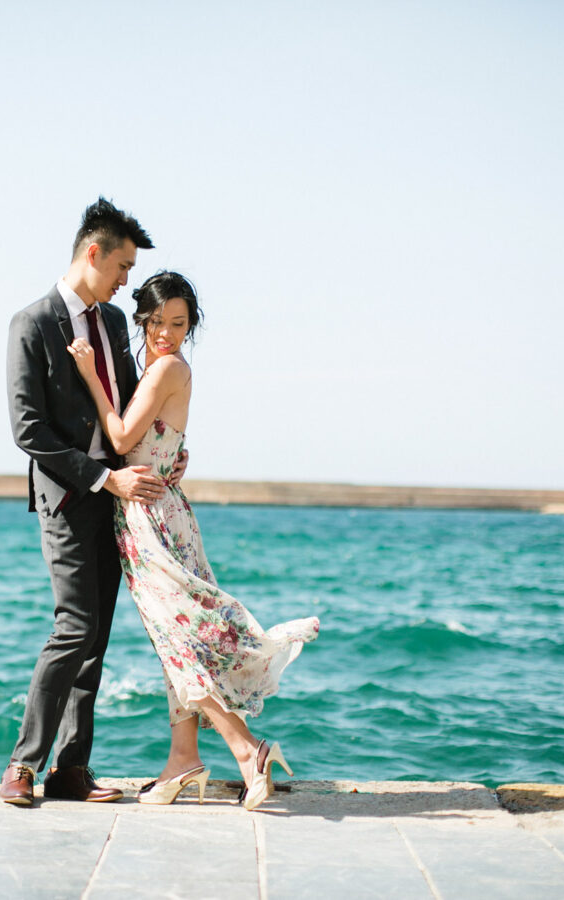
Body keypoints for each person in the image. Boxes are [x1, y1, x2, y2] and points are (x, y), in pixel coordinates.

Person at [67, 271, 321, 811]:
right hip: (159, 511)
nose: (165, 333)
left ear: (191, 326)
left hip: (151, 520)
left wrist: (89, 373)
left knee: (179, 644)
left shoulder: (169, 368)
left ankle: (247, 749)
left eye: (178, 324)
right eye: (157, 322)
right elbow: (158, 441)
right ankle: (184, 757)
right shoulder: (162, 368)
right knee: (174, 644)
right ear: (143, 319)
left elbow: (118, 437)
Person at [0, 198, 185, 807]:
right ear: (93, 253)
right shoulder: (31, 323)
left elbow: (130, 406)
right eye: (124, 267)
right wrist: (106, 481)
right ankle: (24, 766)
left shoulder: (109, 324)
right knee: (73, 627)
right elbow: (30, 432)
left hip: (123, 501)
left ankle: (71, 770)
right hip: (70, 498)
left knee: (97, 636)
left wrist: (167, 452)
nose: (128, 281)